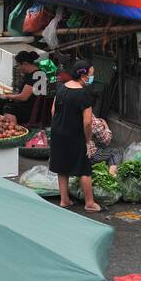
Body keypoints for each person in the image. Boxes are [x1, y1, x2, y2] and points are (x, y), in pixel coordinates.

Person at [50, 60, 100, 212]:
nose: (91, 78)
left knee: (62, 166)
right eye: (91, 75)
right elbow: (87, 122)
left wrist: (60, 126)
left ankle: (64, 200)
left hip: (58, 131)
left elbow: (53, 111)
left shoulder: (61, 88)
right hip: (75, 133)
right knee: (84, 168)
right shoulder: (84, 94)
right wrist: (88, 139)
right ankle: (90, 203)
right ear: (83, 75)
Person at [0, 50, 47, 127]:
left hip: (31, 112)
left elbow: (23, 97)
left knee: (8, 107)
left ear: (25, 63)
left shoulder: (34, 76)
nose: (19, 68)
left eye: (19, 65)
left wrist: (7, 96)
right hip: (37, 109)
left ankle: (13, 131)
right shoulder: (41, 73)